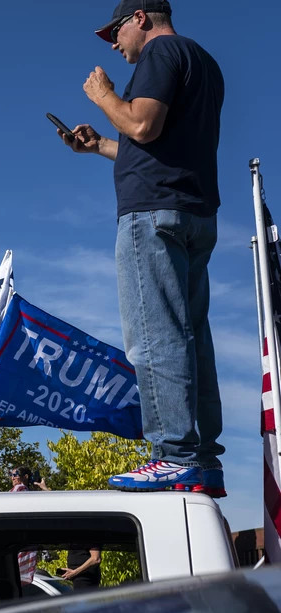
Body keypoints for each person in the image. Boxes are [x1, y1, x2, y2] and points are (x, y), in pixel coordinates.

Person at [59, 0, 225, 496]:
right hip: (192, 212)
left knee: (154, 336)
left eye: (115, 31)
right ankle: (202, 461)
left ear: (140, 18)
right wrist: (99, 147)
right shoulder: (202, 61)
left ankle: (172, 454)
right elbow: (152, 141)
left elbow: (141, 125)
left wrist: (104, 95)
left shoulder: (162, 52)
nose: (113, 43)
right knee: (192, 336)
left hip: (151, 215)